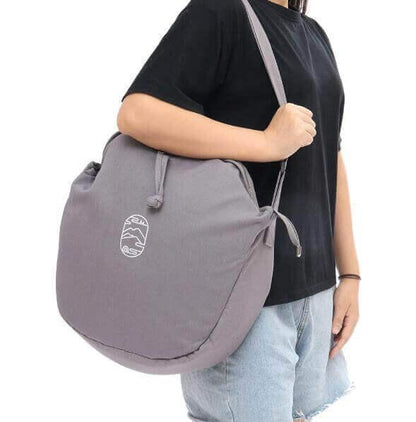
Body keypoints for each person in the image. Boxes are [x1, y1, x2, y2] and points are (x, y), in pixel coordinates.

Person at [118, 0, 360, 420]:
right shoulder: (221, 12)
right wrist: (265, 143)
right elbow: (138, 113)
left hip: (315, 295)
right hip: (244, 301)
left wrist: (350, 274)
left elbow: (329, 156)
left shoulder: (314, 34)